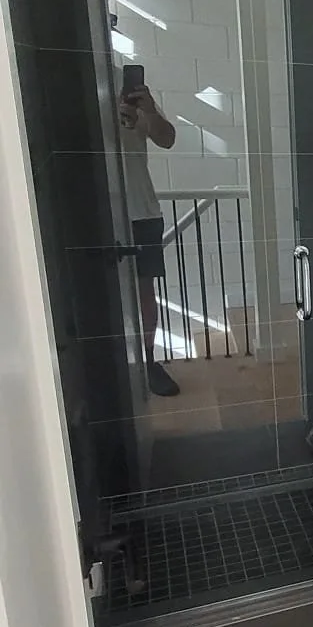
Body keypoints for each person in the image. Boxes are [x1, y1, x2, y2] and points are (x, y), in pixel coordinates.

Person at [116, 69, 180, 396]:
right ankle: (115, 368)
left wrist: (149, 112)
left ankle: (148, 360)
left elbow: (167, 138)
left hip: (142, 211)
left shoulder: (130, 87)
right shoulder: (74, 86)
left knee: (144, 291)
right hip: (100, 212)